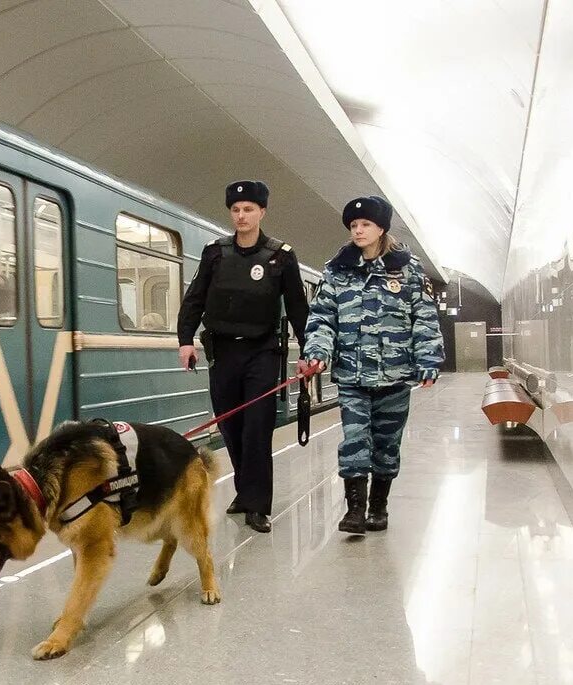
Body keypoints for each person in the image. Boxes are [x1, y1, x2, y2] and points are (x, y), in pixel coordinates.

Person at [301, 196, 444, 536]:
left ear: (381, 228)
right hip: (352, 375)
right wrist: (318, 351)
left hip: (395, 375)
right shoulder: (336, 270)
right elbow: (322, 318)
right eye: (353, 226)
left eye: (365, 225)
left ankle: (379, 506)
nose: (359, 230)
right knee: (354, 440)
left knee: (386, 444)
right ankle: (354, 511)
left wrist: (428, 360)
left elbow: (423, 317)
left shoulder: (407, 269)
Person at [178, 180, 309, 533]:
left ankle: (257, 505)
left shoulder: (281, 256)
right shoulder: (215, 253)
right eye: (236, 210)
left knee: (256, 428)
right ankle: (243, 491)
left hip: (261, 352)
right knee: (230, 425)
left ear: (262, 212)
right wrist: (185, 340)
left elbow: (298, 307)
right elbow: (195, 298)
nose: (241, 215)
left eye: (249, 209)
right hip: (222, 352)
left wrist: (307, 351)